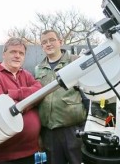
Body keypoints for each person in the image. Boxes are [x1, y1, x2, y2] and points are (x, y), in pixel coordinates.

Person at [0, 37, 42, 164]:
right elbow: (3, 112)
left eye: (21, 53)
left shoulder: (26, 75)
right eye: (13, 52)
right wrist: (32, 101)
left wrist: (14, 94)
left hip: (30, 152)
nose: (17, 56)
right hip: (1, 156)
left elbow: (39, 91)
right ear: (4, 54)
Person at [35, 30, 87, 164]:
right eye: (44, 42)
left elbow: (88, 95)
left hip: (74, 130)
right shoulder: (38, 69)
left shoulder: (75, 62)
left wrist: (87, 126)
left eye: (52, 40)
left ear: (60, 42)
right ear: (42, 47)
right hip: (49, 133)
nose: (48, 44)